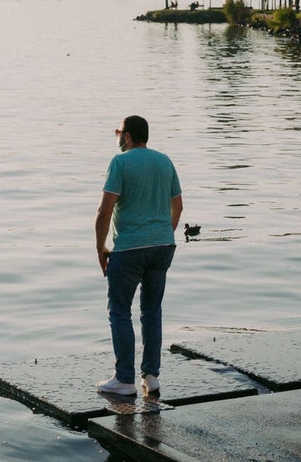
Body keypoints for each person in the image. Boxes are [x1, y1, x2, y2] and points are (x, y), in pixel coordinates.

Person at [94, 115, 183, 395]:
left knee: (119, 310)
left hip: (130, 249)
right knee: (151, 310)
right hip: (162, 248)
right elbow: (178, 207)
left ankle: (124, 380)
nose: (118, 136)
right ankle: (151, 376)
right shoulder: (165, 161)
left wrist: (100, 247)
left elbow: (104, 211)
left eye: (120, 131)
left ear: (128, 136)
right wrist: (161, 235)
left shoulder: (119, 162)